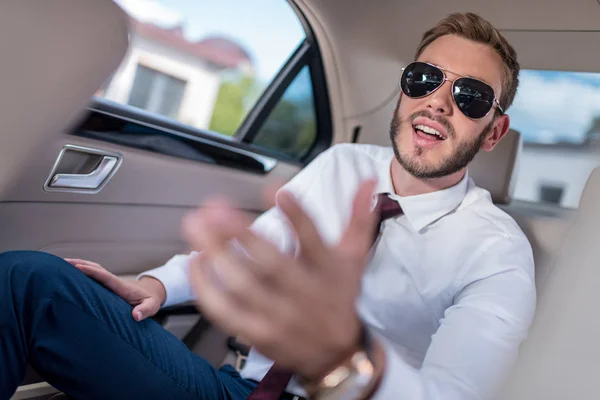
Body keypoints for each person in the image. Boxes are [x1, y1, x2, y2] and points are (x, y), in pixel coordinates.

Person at [0, 11, 535, 400]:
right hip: (236, 391)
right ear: (405, 92)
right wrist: (158, 285)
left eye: (470, 98)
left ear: (493, 132)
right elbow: (248, 257)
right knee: (24, 279)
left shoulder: (498, 252)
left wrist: (344, 359)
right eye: (424, 79)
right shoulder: (341, 165)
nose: (439, 101)